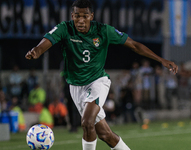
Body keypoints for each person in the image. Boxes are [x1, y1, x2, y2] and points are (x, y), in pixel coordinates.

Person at [25, 0, 178, 149]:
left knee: (86, 122)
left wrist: (161, 60)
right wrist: (36, 51)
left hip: (97, 82)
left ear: (91, 16)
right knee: (105, 135)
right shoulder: (65, 29)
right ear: (72, 16)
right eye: (77, 15)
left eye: (85, 16)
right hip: (76, 87)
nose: (81, 20)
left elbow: (134, 45)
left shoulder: (103, 30)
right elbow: (46, 41)